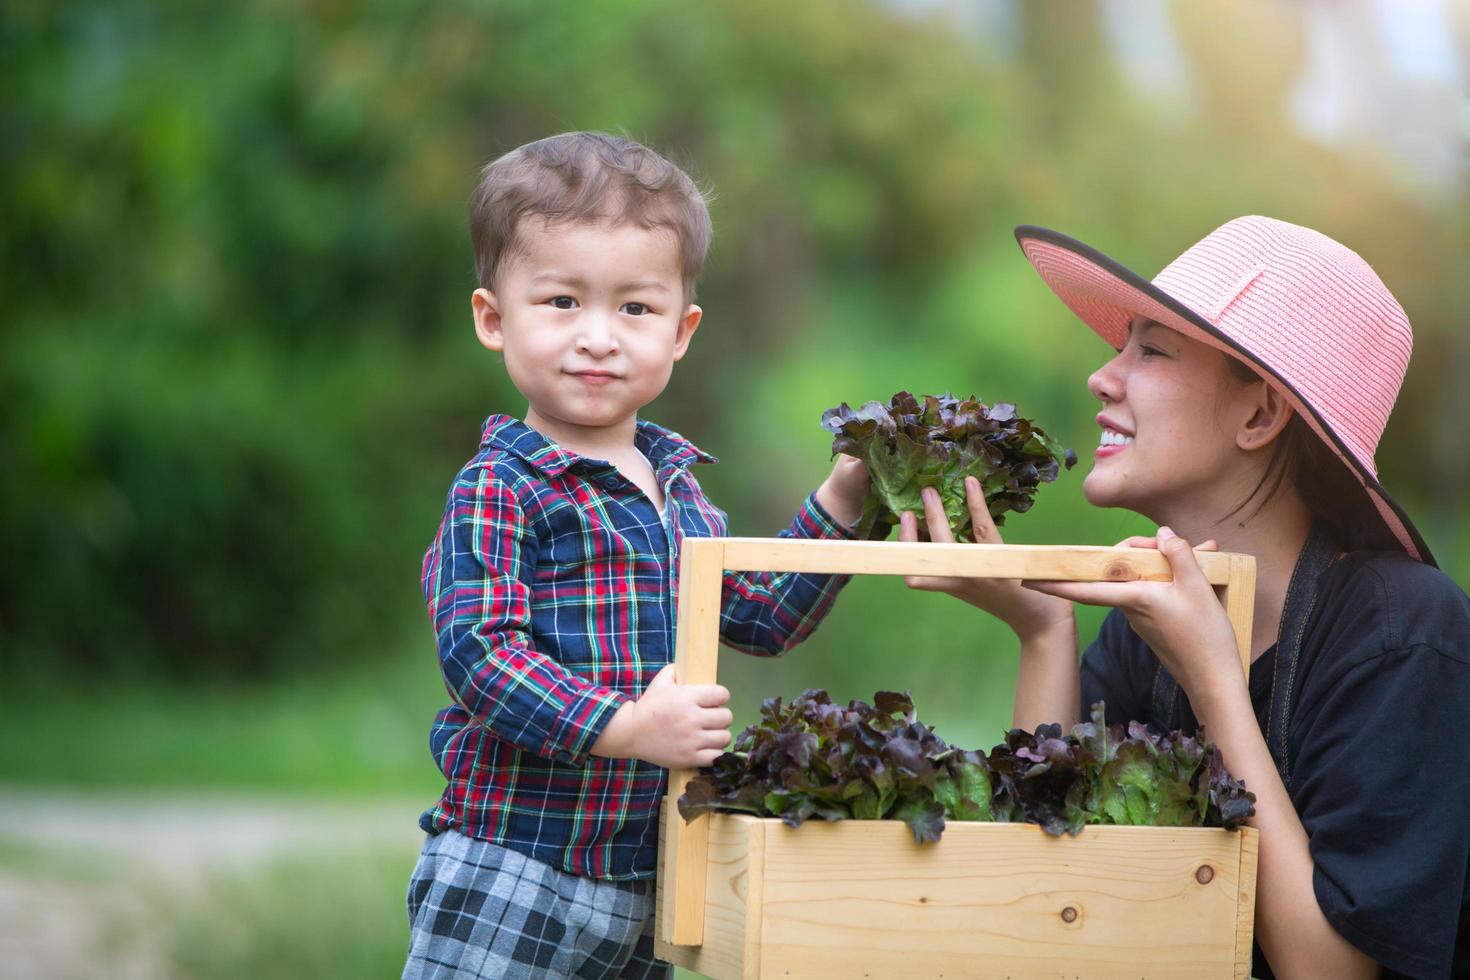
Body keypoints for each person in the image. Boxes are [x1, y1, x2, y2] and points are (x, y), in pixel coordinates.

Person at [900, 216, 1470, 979]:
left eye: (1153, 351)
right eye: (1120, 345)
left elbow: (1330, 973)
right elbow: (1047, 910)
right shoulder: (1145, 627)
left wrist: (1214, 682)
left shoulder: (1404, 632)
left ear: (1261, 414)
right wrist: (1043, 632)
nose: (1103, 377)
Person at [402, 132, 869, 979]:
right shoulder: (500, 485)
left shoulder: (677, 487)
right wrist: (627, 728)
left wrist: (842, 501)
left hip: (643, 879)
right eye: (561, 302)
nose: (598, 337)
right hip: (516, 863)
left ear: (682, 330)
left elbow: (759, 615)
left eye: (634, 309)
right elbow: (480, 653)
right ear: (492, 318)